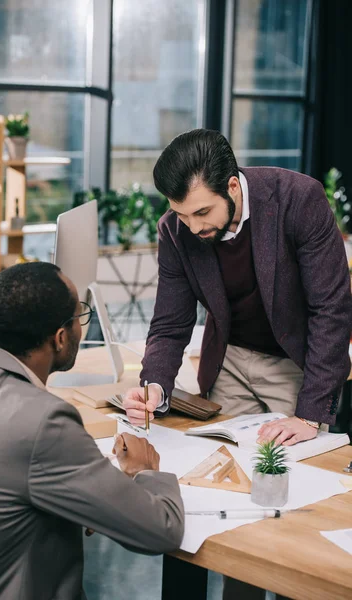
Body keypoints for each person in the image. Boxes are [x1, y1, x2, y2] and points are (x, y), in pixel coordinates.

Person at [123, 129, 352, 600]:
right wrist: (155, 388)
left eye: (201, 213)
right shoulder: (176, 228)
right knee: (220, 489)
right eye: (182, 214)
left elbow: (332, 309)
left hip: (294, 362)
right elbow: (169, 323)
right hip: (228, 361)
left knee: (288, 499)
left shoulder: (298, 199)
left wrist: (310, 413)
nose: (192, 227)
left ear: (232, 186)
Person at [0, 262, 184, 600]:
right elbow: (163, 531)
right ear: (61, 338)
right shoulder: (43, 421)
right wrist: (145, 471)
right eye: (79, 316)